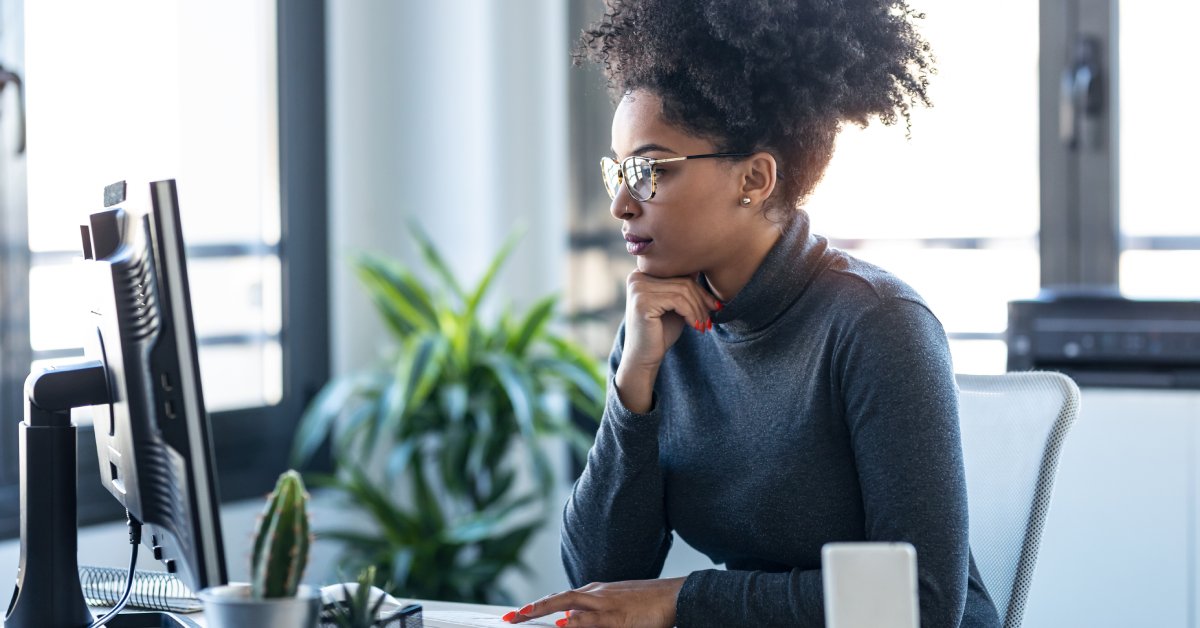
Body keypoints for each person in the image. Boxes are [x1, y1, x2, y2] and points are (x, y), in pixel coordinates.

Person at [505, 0, 1001, 626]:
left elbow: (920, 606)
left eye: (650, 170)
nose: (623, 205)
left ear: (756, 179)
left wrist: (683, 601)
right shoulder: (660, 327)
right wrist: (633, 388)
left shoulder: (878, 324)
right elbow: (600, 573)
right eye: (619, 173)